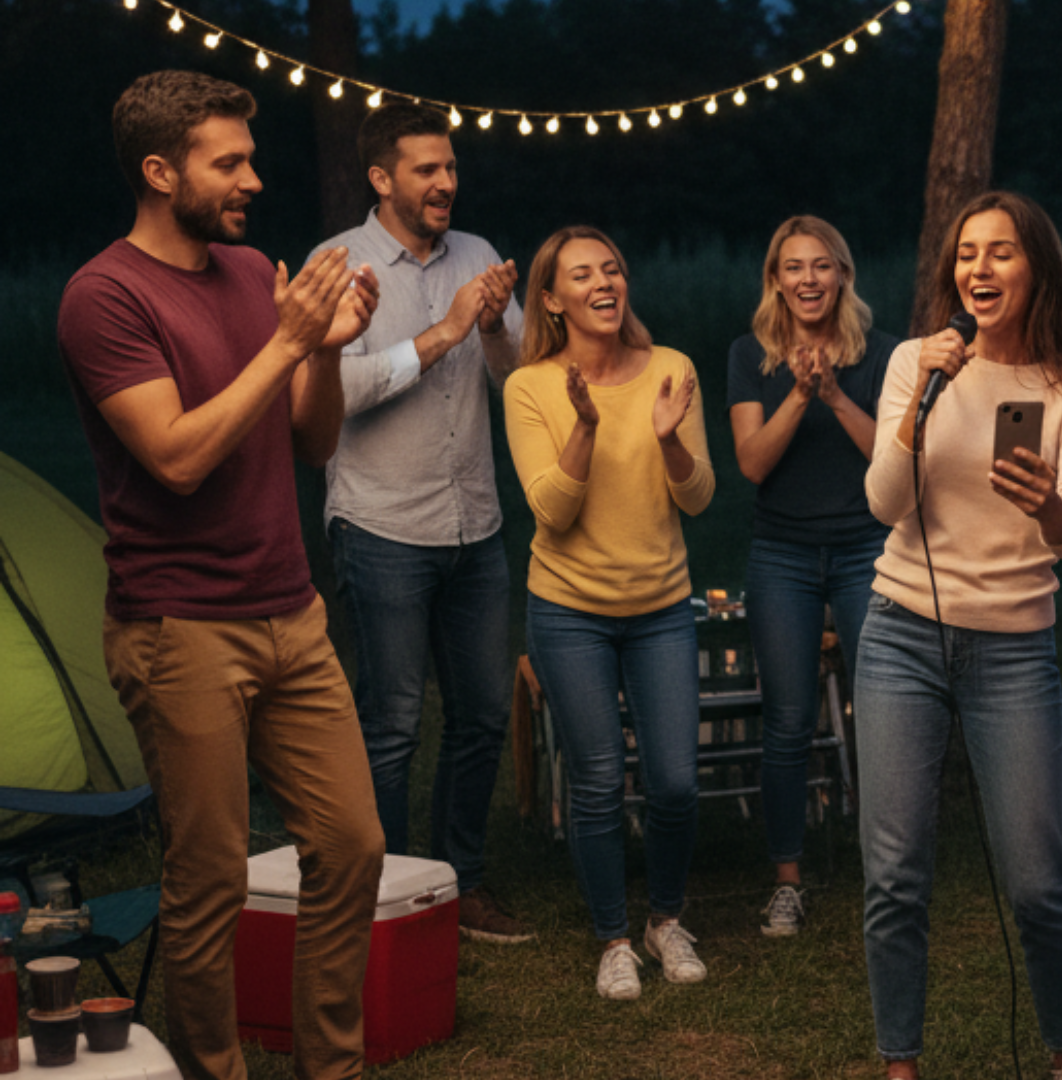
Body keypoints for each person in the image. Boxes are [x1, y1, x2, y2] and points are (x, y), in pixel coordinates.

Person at [56, 70, 384, 1080]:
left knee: (354, 844)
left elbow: (313, 442)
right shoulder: (102, 296)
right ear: (161, 172)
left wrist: (322, 354)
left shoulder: (250, 275)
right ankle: (216, 1072)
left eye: (249, 157)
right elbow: (180, 457)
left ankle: (330, 1067)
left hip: (292, 614)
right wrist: (285, 340)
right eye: (227, 161)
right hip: (179, 629)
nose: (251, 176)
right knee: (209, 883)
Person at [857, 191, 1062, 1080]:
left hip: (1012, 651)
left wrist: (1048, 506)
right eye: (968, 254)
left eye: (1001, 252)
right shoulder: (916, 364)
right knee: (895, 874)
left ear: (1035, 266)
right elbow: (884, 503)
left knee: (1038, 878)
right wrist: (922, 401)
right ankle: (900, 1062)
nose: (980, 268)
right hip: (899, 639)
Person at [314, 101, 532, 944]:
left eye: (450, 167)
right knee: (393, 725)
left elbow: (511, 376)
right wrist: (444, 333)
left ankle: (459, 883)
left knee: (481, 715)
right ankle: (383, 904)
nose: (447, 182)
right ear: (382, 179)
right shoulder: (338, 262)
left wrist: (489, 328)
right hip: (382, 527)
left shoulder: (475, 254)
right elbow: (338, 391)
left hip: (474, 524)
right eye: (427, 170)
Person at [503, 225, 716, 1000]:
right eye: (583, 274)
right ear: (553, 300)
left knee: (675, 783)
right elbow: (550, 512)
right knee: (596, 779)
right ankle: (614, 939)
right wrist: (588, 427)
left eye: (614, 269)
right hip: (569, 611)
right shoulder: (530, 388)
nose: (605, 282)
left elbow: (699, 497)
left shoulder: (671, 371)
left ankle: (665, 921)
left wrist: (669, 443)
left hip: (660, 606)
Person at [726, 216, 901, 936]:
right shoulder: (749, 357)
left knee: (885, 714)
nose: (808, 280)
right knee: (790, 720)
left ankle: (887, 875)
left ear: (843, 276)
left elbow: (888, 458)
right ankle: (788, 881)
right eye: (793, 267)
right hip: (784, 557)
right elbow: (752, 465)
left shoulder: (883, 354)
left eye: (821, 266)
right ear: (775, 279)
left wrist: (832, 393)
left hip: (867, 551)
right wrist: (799, 394)